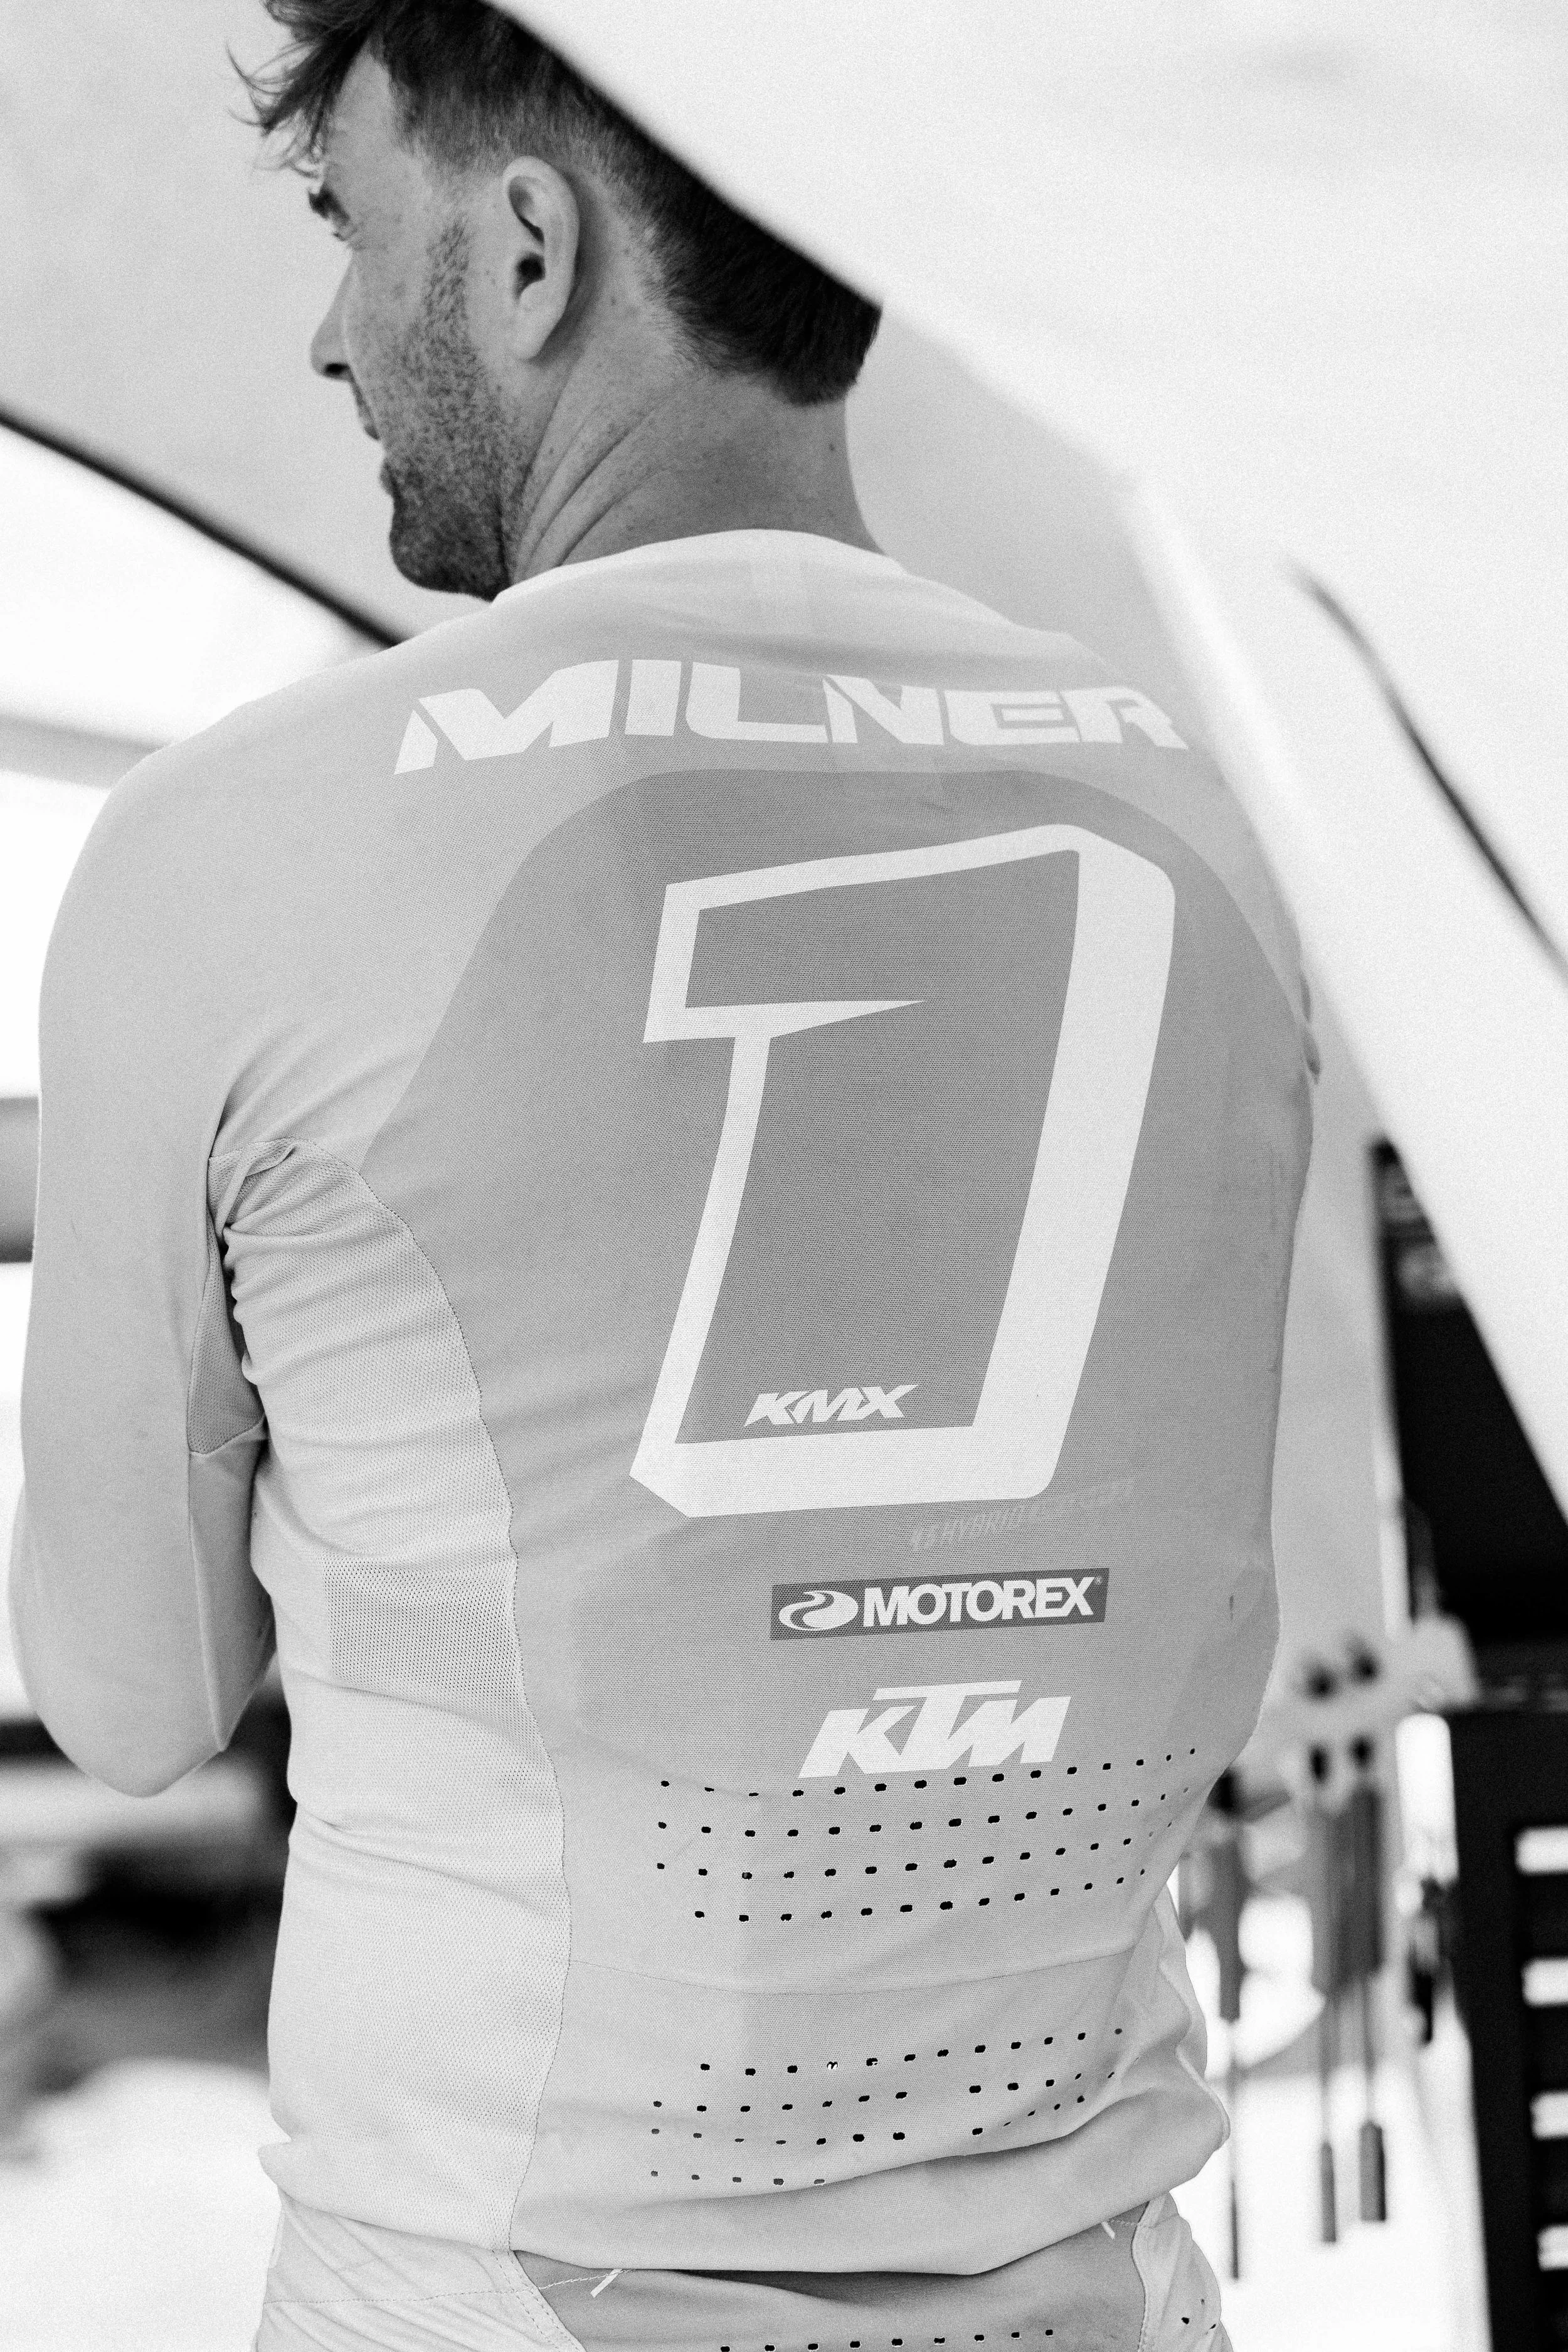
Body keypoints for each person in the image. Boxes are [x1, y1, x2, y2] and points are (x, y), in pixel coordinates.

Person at [8, 4, 1314, 2345]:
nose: (325, 334)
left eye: (347, 226)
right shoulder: (1191, 807)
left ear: (528, 247)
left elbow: (127, 1696)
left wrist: (136, 1209)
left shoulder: (239, 837)